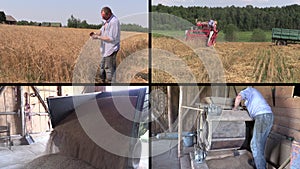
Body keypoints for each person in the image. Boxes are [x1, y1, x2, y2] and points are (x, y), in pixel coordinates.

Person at [233, 87, 273, 169]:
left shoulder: (248, 90)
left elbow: (238, 97)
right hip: (268, 116)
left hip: (262, 116)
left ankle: (261, 167)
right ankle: (256, 162)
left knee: (255, 145)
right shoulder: (252, 97)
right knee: (259, 144)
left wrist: (234, 108)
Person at [90, 6, 120, 83]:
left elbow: (111, 38)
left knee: (109, 67)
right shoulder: (107, 20)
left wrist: (98, 37)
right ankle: (102, 81)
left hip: (111, 48)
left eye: (104, 16)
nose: (103, 18)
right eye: (102, 16)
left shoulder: (114, 22)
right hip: (105, 49)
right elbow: (102, 30)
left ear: (109, 14)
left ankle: (111, 82)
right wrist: (95, 34)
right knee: (102, 66)